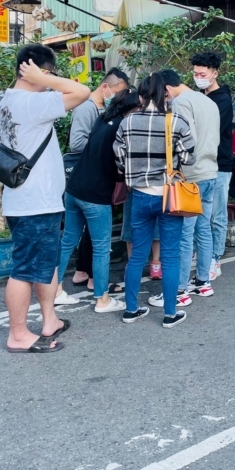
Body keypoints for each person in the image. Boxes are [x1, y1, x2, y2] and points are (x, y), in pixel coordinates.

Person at [0, 43, 90, 353]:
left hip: (34, 200)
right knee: (25, 268)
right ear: (31, 68)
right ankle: (18, 334)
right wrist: (45, 78)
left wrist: (43, 77)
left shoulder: (9, 100)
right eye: (48, 72)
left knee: (45, 265)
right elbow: (82, 92)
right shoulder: (29, 102)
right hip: (34, 203)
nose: (51, 78)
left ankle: (49, 319)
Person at [115, 72, 196, 328]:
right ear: (166, 95)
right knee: (170, 257)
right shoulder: (177, 122)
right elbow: (190, 157)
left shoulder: (127, 123)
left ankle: (131, 310)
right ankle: (170, 314)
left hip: (139, 196)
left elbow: (119, 157)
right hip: (169, 198)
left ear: (141, 95)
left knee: (137, 255)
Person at [55, 89, 139, 314]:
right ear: (132, 109)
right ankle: (102, 299)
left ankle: (55, 290)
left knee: (68, 241)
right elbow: (122, 164)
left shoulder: (103, 119)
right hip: (96, 195)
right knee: (102, 248)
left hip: (74, 188)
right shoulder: (123, 127)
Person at [151, 68, 220, 309]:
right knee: (204, 230)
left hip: (191, 177)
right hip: (211, 171)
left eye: (163, 95)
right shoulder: (207, 100)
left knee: (183, 235)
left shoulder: (180, 103)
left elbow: (183, 141)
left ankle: (179, 290)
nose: (164, 99)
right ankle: (203, 282)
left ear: (167, 88)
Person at [61, 68, 130, 294]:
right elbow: (76, 144)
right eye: (117, 92)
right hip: (93, 183)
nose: (117, 98)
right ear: (106, 86)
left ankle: (65, 283)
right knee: (100, 244)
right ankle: (100, 293)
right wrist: (99, 147)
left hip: (78, 185)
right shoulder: (88, 109)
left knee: (75, 238)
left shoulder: (105, 113)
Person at [193, 52, 235, 281]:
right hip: (201, 165)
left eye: (203, 74)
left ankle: (214, 259)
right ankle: (203, 255)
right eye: (195, 73)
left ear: (214, 73)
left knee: (216, 216)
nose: (198, 77)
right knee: (199, 215)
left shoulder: (223, 101)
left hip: (219, 165)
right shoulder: (199, 96)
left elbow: (209, 132)